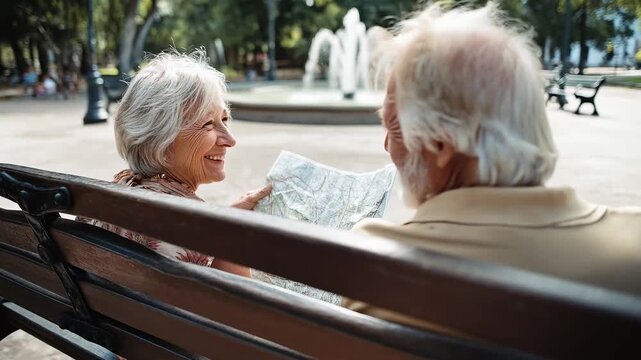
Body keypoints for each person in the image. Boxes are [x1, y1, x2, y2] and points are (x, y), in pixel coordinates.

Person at [343, 2, 641, 332]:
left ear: (440, 145)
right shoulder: (633, 243)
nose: (387, 146)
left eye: (393, 128)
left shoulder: (376, 261)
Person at [78, 50, 271, 277]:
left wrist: (223, 221)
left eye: (225, 119)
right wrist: (229, 235)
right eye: (208, 124)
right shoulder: (182, 226)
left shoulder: (112, 198)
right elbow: (247, 311)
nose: (230, 139)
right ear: (160, 140)